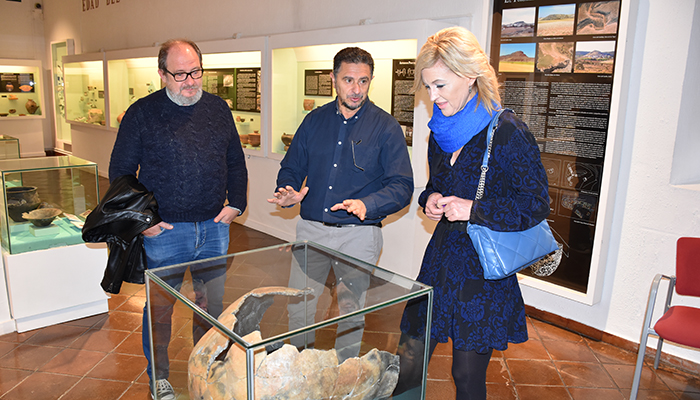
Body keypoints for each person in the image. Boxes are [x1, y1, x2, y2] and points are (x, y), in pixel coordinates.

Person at [398, 27, 550, 399]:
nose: (433, 96)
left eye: (440, 85)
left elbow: (535, 204)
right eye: (427, 87)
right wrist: (431, 198)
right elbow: (437, 184)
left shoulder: (509, 132)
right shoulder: (440, 132)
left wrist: (474, 209)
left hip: (482, 268)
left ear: (469, 77)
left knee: (466, 376)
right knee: (409, 358)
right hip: (441, 259)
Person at [108, 38, 247, 400]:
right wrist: (145, 221)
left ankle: (207, 371)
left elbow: (235, 161)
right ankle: (159, 378)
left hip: (214, 228)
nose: (190, 81)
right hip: (165, 232)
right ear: (162, 74)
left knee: (210, 307)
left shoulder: (218, 109)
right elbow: (121, 172)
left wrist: (237, 203)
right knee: (159, 311)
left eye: (196, 72)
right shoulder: (142, 113)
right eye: (180, 74)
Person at [267, 47, 413, 362]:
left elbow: (402, 185)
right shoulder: (314, 121)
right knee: (300, 305)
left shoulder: (386, 127)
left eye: (364, 81)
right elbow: (291, 167)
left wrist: (368, 204)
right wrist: (287, 189)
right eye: (348, 80)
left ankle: (345, 374)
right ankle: (300, 366)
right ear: (334, 79)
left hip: (359, 235)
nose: (356, 89)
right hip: (312, 231)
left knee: (351, 309)